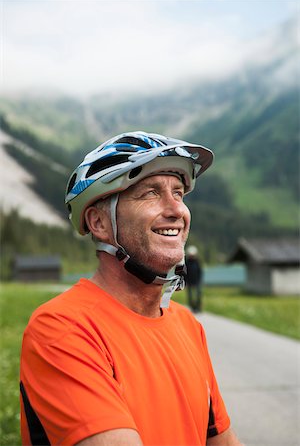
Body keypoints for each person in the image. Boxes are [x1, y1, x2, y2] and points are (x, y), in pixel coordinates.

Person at [20, 131, 242, 446]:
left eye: (178, 193)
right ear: (99, 223)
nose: (176, 209)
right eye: (151, 192)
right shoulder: (63, 329)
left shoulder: (188, 326)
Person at [185, 245, 203, 312]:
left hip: (197, 281)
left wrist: (199, 280)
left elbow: (200, 271)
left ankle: (198, 307)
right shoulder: (187, 262)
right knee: (190, 296)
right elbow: (185, 272)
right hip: (189, 281)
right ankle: (193, 307)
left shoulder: (197, 261)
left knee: (198, 294)